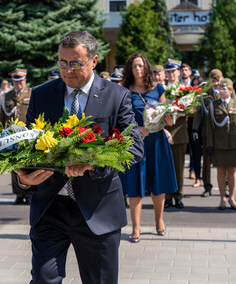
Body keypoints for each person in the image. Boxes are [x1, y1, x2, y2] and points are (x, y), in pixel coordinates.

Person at [14, 31, 143, 284]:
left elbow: (133, 147)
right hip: (50, 208)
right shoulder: (42, 94)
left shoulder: (117, 96)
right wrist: (24, 180)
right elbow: (25, 148)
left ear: (93, 61)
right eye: (62, 62)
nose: (67, 70)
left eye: (75, 63)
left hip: (98, 209)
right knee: (43, 279)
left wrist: (91, 164)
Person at [119, 53, 177, 243]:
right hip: (135, 142)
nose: (138, 69)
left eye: (141, 66)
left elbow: (165, 113)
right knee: (135, 184)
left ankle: (159, 221)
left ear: (147, 68)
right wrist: (137, 129)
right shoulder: (124, 90)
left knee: (157, 183)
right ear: (130, 68)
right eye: (134, 66)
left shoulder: (158, 88)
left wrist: (169, 120)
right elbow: (120, 119)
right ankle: (135, 228)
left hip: (157, 142)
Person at [206, 78, 236, 210]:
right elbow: (209, 126)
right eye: (220, 89)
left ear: (230, 90)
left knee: (232, 171)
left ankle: (232, 198)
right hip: (219, 144)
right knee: (221, 171)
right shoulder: (214, 104)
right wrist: (209, 144)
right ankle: (222, 198)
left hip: (233, 143)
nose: (221, 91)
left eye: (224, 89)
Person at [0, 69, 33, 205]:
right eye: (16, 81)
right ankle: (18, 194)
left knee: (29, 166)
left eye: (21, 80)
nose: (19, 83)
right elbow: (2, 117)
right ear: (13, 81)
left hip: (29, 136)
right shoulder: (7, 96)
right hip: (12, 137)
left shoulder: (32, 93)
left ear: (25, 80)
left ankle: (29, 193)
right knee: (14, 166)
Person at [192, 69, 224, 197]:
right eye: (213, 80)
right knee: (206, 161)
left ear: (221, 78)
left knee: (223, 160)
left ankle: (225, 187)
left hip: (222, 133)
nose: (216, 83)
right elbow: (199, 112)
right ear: (210, 80)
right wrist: (195, 128)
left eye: (218, 80)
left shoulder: (226, 91)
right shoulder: (205, 93)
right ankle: (207, 186)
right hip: (207, 132)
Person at [164, 59, 188, 209]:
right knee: (166, 166)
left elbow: (194, 110)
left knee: (179, 167)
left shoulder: (185, 89)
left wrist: (183, 111)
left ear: (178, 72)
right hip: (164, 131)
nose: (171, 74)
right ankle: (167, 197)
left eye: (174, 71)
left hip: (179, 132)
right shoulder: (162, 89)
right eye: (169, 71)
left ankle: (178, 195)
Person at [180, 63, 196, 181]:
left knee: (192, 145)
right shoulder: (176, 85)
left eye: (186, 70)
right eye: (182, 70)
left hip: (191, 119)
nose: (184, 72)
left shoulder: (194, 86)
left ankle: (192, 169)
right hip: (179, 119)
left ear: (190, 72)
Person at [190, 75, 205, 188]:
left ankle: (206, 179)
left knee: (208, 157)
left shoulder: (207, 97)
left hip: (206, 129)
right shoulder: (191, 97)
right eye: (195, 85)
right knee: (196, 155)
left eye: (199, 85)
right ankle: (197, 178)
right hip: (194, 129)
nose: (197, 87)